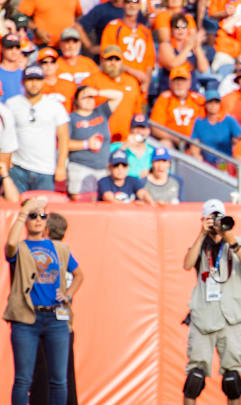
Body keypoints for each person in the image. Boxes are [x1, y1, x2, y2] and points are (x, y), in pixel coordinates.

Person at [4, 197, 85, 405]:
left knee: (59, 379)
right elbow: (10, 245)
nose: (38, 220)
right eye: (33, 216)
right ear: (26, 220)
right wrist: (23, 213)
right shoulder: (21, 248)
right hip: (27, 319)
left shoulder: (59, 248)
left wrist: (68, 294)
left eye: (42, 215)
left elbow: (79, 275)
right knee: (23, 379)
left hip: (55, 317)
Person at [181, 199, 241, 405]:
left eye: (219, 218)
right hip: (203, 318)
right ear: (203, 220)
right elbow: (187, 264)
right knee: (194, 379)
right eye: (211, 218)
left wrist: (231, 240)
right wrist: (202, 233)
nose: (215, 223)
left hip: (231, 318)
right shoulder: (199, 244)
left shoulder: (238, 241)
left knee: (232, 381)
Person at [29, 212, 79, 405]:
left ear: (46, 229)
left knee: (42, 372)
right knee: (64, 373)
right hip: (64, 321)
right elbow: (78, 276)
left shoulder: (50, 252)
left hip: (48, 319)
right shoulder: (66, 251)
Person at [6, 65, 70, 193]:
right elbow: (5, 135)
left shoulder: (54, 106)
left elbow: (63, 138)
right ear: (23, 82)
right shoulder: (11, 104)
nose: (34, 84)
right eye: (30, 79)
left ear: (43, 81)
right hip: (18, 167)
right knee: (17, 210)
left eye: (38, 79)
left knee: (43, 210)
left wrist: (61, 166)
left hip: (45, 169)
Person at [67, 85, 123, 200]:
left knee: (105, 200)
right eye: (84, 97)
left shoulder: (101, 111)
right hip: (80, 167)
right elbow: (64, 143)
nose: (89, 100)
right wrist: (86, 144)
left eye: (91, 97)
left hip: (103, 169)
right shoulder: (70, 118)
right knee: (80, 200)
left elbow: (119, 95)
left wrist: (98, 92)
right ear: (76, 101)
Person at [81, 45, 143, 142]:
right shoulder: (91, 81)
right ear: (102, 61)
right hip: (99, 139)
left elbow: (137, 113)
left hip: (125, 140)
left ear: (122, 62)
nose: (113, 63)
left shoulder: (132, 82)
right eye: (109, 59)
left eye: (117, 59)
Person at [100, 0, 155, 93]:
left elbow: (150, 61)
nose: (131, 5)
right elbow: (107, 58)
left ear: (139, 5)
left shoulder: (145, 31)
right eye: (128, 2)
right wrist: (133, 72)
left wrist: (146, 82)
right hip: (119, 83)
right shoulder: (113, 27)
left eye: (135, 2)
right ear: (123, 4)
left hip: (140, 87)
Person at [150, 66, 206, 147]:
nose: (179, 84)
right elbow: (156, 128)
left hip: (194, 141)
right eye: (176, 81)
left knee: (197, 147)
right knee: (164, 144)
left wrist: (195, 139)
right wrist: (173, 138)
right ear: (170, 83)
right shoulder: (164, 99)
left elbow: (206, 124)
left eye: (183, 80)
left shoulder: (198, 100)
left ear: (189, 83)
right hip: (171, 140)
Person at [189, 89, 241, 165]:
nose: (213, 105)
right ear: (205, 104)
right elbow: (195, 143)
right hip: (206, 163)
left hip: (226, 162)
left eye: (216, 102)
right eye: (210, 102)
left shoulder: (228, 120)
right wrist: (197, 156)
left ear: (220, 104)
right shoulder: (199, 121)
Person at [110, 114, 154, 178]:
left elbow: (165, 173)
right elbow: (105, 165)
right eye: (136, 127)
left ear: (148, 131)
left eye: (142, 128)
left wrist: (151, 173)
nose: (139, 131)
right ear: (130, 130)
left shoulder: (153, 152)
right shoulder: (115, 147)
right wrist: (124, 147)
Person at [37, 47, 76, 113]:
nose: (48, 65)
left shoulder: (69, 85)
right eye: (44, 62)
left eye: (52, 62)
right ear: (38, 66)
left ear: (57, 65)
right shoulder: (35, 86)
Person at [0, 34, 26, 102]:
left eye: (17, 47)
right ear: (2, 48)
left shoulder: (26, 72)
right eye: (10, 47)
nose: (14, 51)